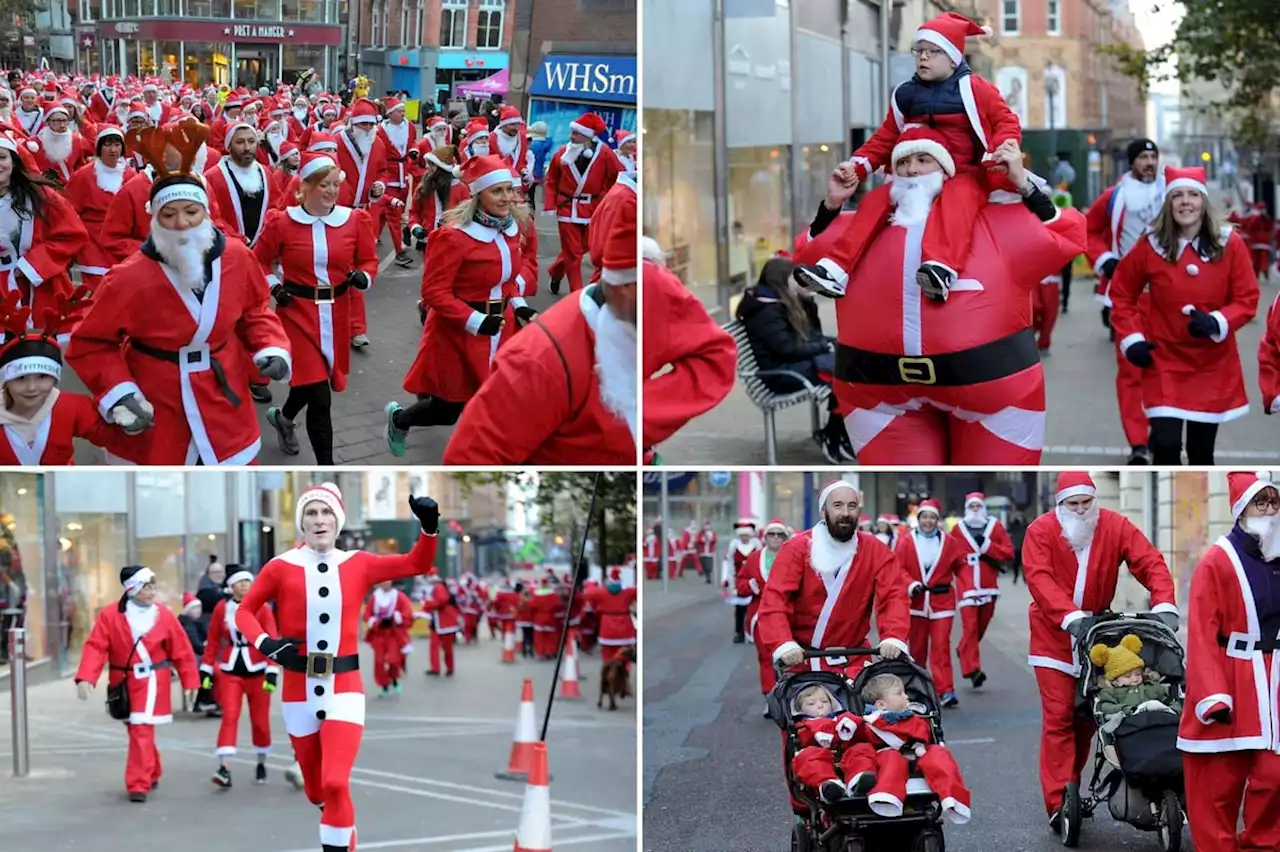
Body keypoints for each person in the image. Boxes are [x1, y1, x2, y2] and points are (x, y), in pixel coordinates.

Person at [795, 126, 1084, 463]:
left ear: (947, 169)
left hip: (992, 394)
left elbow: (1067, 235)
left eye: (923, 160)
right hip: (877, 395)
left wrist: (1024, 185)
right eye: (903, 163)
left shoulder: (995, 220)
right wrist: (831, 205)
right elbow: (808, 252)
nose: (912, 170)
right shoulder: (863, 226)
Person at [65, 123, 293, 465]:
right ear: (154, 219)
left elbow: (255, 310)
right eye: (168, 215)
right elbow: (89, 343)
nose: (182, 223)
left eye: (191, 212)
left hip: (223, 396)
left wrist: (270, 344)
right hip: (158, 398)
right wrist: (119, 391)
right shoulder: (129, 277)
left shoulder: (236, 258)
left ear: (207, 214)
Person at [233, 484, 439, 852]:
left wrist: (429, 528)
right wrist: (264, 644)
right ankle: (342, 828)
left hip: (345, 686)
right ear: (302, 523)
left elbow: (416, 564)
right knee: (316, 791)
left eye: (326, 512)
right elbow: (245, 611)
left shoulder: (358, 563)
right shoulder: (280, 567)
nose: (319, 520)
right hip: (297, 690)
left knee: (335, 783)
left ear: (338, 520)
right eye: (311, 513)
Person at [793, 12, 1020, 301]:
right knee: (875, 200)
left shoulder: (976, 90)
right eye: (919, 51)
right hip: (915, 173)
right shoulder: (905, 94)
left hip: (965, 173)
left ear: (952, 57)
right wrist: (858, 166)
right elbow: (885, 137)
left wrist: (1003, 147)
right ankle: (835, 270)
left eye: (932, 51)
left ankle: (940, 267)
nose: (923, 57)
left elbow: (1006, 121)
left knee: (959, 196)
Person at [439, 172, 635, 464]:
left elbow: (505, 281)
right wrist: (475, 320)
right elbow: (435, 291)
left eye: (510, 189)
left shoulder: (513, 229)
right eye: (498, 191)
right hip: (460, 331)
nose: (508, 197)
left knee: (496, 401)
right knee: (446, 409)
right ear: (479, 194)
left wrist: (520, 305)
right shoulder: (452, 236)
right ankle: (402, 419)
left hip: (501, 327)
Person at [1021, 471, 1178, 830]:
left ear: (1094, 500)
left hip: (1100, 638)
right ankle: (1059, 799)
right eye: (1072, 504)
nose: (1079, 510)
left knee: (1088, 718)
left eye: (1085, 503)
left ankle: (1071, 781)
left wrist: (1164, 602)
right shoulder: (1040, 531)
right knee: (1060, 717)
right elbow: (1039, 577)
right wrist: (1068, 616)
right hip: (1053, 639)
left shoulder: (1115, 526)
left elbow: (1149, 561)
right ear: (1060, 506)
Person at [1109, 165, 1259, 465]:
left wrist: (1217, 321)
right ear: (1168, 203)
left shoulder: (1230, 243)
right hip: (1164, 361)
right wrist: (1132, 339)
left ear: (1204, 201)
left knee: (1202, 453)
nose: (1185, 202)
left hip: (1211, 364)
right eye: (1177, 195)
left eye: (1193, 194)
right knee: (1165, 448)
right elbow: (1122, 293)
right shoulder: (1150, 244)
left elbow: (1247, 298)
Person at [1178, 471, 1280, 852]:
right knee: (1218, 791)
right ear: (1241, 510)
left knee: (1274, 779)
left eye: (1274, 502)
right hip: (1230, 682)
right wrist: (1213, 695)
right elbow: (1202, 636)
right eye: (1261, 502)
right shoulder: (1217, 562)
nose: (1270, 510)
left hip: (1273, 687)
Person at [255, 151, 378, 465]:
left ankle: (283, 418)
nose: (331, 191)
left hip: (337, 315)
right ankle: (328, 468)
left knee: (313, 384)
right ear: (305, 186)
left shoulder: (353, 220)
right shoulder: (283, 222)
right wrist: (274, 287)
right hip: (297, 314)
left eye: (335, 184)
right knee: (320, 398)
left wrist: (364, 277)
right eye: (324, 184)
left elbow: (367, 260)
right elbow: (259, 261)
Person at [757, 481, 911, 678]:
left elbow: (894, 595)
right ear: (823, 511)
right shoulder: (796, 549)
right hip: (802, 658)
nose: (845, 513)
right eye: (837, 505)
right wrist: (783, 643)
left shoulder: (875, 549)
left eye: (852, 506)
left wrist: (893, 636)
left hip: (855, 657)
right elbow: (775, 600)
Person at [73, 565, 201, 803]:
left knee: (141, 728)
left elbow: (181, 650)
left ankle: (137, 784)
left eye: (153, 586)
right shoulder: (111, 615)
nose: (152, 591)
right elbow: (96, 646)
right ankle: (152, 769)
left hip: (153, 681)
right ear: (133, 589)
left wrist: (190, 680)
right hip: (123, 682)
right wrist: (86, 677)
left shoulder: (163, 615)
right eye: (147, 587)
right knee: (137, 729)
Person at [1086, 138, 1164, 464]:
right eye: (1142, 157)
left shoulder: (1173, 192)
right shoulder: (1114, 196)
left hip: (1167, 299)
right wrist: (1105, 259)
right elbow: (1088, 230)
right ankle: (1138, 444)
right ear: (1132, 162)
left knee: (1163, 370)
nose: (1148, 162)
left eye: (1152, 157)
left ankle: (1162, 436)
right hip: (1128, 297)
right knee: (1131, 371)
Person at [0, 287, 144, 464]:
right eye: (21, 378)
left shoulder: (71, 407)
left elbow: (109, 437)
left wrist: (130, 424)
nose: (32, 388)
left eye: (42, 377)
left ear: (55, 378)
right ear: (6, 381)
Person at [736, 255, 850, 462]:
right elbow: (787, 349)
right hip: (780, 374)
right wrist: (825, 346)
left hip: (793, 366)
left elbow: (811, 335)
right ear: (781, 279)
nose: (799, 282)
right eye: (794, 278)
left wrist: (808, 301)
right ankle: (834, 436)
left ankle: (836, 432)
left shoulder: (781, 302)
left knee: (847, 362)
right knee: (844, 372)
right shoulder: (765, 310)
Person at [200, 565, 280, 788]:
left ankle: (261, 761)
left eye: (248, 581)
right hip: (230, 671)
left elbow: (272, 640)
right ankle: (224, 768)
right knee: (230, 717)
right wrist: (205, 670)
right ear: (231, 585)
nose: (245, 585)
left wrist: (272, 672)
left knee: (260, 722)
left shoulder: (262, 608)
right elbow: (213, 640)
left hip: (258, 672)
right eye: (240, 581)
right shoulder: (221, 609)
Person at [858, 673, 972, 823]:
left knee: (939, 754)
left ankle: (952, 797)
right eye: (899, 693)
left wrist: (918, 743)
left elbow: (922, 732)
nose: (906, 697)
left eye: (905, 692)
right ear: (881, 704)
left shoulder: (913, 716)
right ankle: (886, 797)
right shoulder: (870, 722)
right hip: (887, 756)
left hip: (917, 753)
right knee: (891, 759)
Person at [0, 136, 89, 321]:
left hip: (37, 288)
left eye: (1, 157)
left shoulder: (41, 197)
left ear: (13, 162)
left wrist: (32, 265)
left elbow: (73, 235)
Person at [542, 112, 623, 294]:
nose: (571, 136)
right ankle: (577, 295)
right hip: (567, 208)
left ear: (588, 135)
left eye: (576, 133)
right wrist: (550, 204)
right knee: (574, 254)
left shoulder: (604, 154)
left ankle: (556, 271)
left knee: (583, 248)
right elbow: (551, 180)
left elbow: (618, 176)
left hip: (593, 209)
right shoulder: (562, 153)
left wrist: (605, 198)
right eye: (571, 132)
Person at [896, 499, 963, 708]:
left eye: (932, 517)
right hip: (916, 603)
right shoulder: (906, 541)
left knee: (941, 647)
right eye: (924, 517)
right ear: (919, 519)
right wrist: (911, 584)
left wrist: (969, 589)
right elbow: (898, 568)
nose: (928, 521)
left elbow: (961, 566)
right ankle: (918, 687)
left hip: (942, 602)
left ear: (937, 519)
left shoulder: (949, 541)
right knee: (917, 649)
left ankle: (946, 690)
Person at [951, 492, 1013, 689]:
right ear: (967, 508)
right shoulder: (957, 529)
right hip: (967, 585)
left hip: (988, 585)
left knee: (980, 627)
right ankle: (972, 670)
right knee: (970, 628)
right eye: (972, 506)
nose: (975, 510)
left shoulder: (995, 526)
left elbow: (1008, 552)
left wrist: (987, 546)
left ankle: (963, 649)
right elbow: (950, 554)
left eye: (978, 506)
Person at [62, 126, 135, 291]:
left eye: (117, 145)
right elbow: (67, 210)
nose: (113, 150)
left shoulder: (130, 175)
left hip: (121, 241)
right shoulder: (83, 175)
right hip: (93, 241)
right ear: (99, 147)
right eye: (108, 144)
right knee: (96, 289)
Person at [789, 684, 880, 804]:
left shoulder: (842, 718)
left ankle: (858, 780)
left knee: (863, 749)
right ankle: (828, 786)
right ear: (800, 709)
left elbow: (858, 731)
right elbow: (806, 739)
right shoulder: (803, 725)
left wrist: (851, 724)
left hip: (846, 753)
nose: (820, 705)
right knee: (807, 757)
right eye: (811, 704)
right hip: (819, 756)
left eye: (824, 701)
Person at [735, 518, 789, 714]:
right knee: (766, 658)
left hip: (788, 615)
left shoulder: (794, 556)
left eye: (779, 534)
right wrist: (749, 586)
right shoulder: (754, 558)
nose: (775, 538)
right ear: (765, 537)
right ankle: (770, 699)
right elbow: (740, 583)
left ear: (785, 537)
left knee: (789, 658)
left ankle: (790, 697)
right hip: (761, 615)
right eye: (771, 534)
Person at [1090, 634, 1181, 733]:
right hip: (1128, 728)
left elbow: (1168, 700)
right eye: (1127, 676)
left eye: (1138, 674)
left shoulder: (1152, 686)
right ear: (1114, 680)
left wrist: (1174, 710)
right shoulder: (1110, 692)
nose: (1134, 679)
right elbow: (1105, 707)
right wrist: (1127, 709)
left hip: (1157, 724)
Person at [374, 97, 416, 268]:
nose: (403, 113)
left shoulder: (410, 126)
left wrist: (413, 150)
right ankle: (399, 251)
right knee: (394, 213)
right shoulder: (380, 131)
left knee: (391, 212)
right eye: (399, 111)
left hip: (403, 175)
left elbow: (413, 142)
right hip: (388, 176)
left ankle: (372, 238)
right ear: (390, 114)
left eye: (403, 110)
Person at [364, 580, 413, 695]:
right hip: (379, 634)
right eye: (382, 581)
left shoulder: (399, 596)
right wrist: (376, 622)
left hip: (393, 634)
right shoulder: (375, 597)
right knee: (379, 661)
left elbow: (407, 613)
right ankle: (384, 685)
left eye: (387, 581)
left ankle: (394, 679)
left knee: (394, 660)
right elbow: (367, 614)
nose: (385, 583)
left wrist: (395, 618)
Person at [720, 519, 761, 643]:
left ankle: (751, 633)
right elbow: (728, 563)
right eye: (742, 535)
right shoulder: (734, 545)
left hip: (752, 581)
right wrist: (725, 578)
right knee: (739, 609)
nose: (744, 538)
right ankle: (739, 633)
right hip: (738, 580)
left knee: (752, 609)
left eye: (746, 535)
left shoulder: (756, 545)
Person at [419, 569, 461, 675]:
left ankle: (448, 668)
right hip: (437, 621)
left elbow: (441, 601)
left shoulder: (438, 587)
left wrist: (427, 604)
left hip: (445, 621)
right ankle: (436, 668)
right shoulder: (435, 587)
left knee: (446, 647)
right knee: (435, 645)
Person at [527, 121, 552, 210]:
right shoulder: (545, 144)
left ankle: (531, 212)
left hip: (531, 172)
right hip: (538, 172)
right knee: (532, 194)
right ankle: (533, 211)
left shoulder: (533, 144)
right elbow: (549, 140)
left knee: (529, 195)